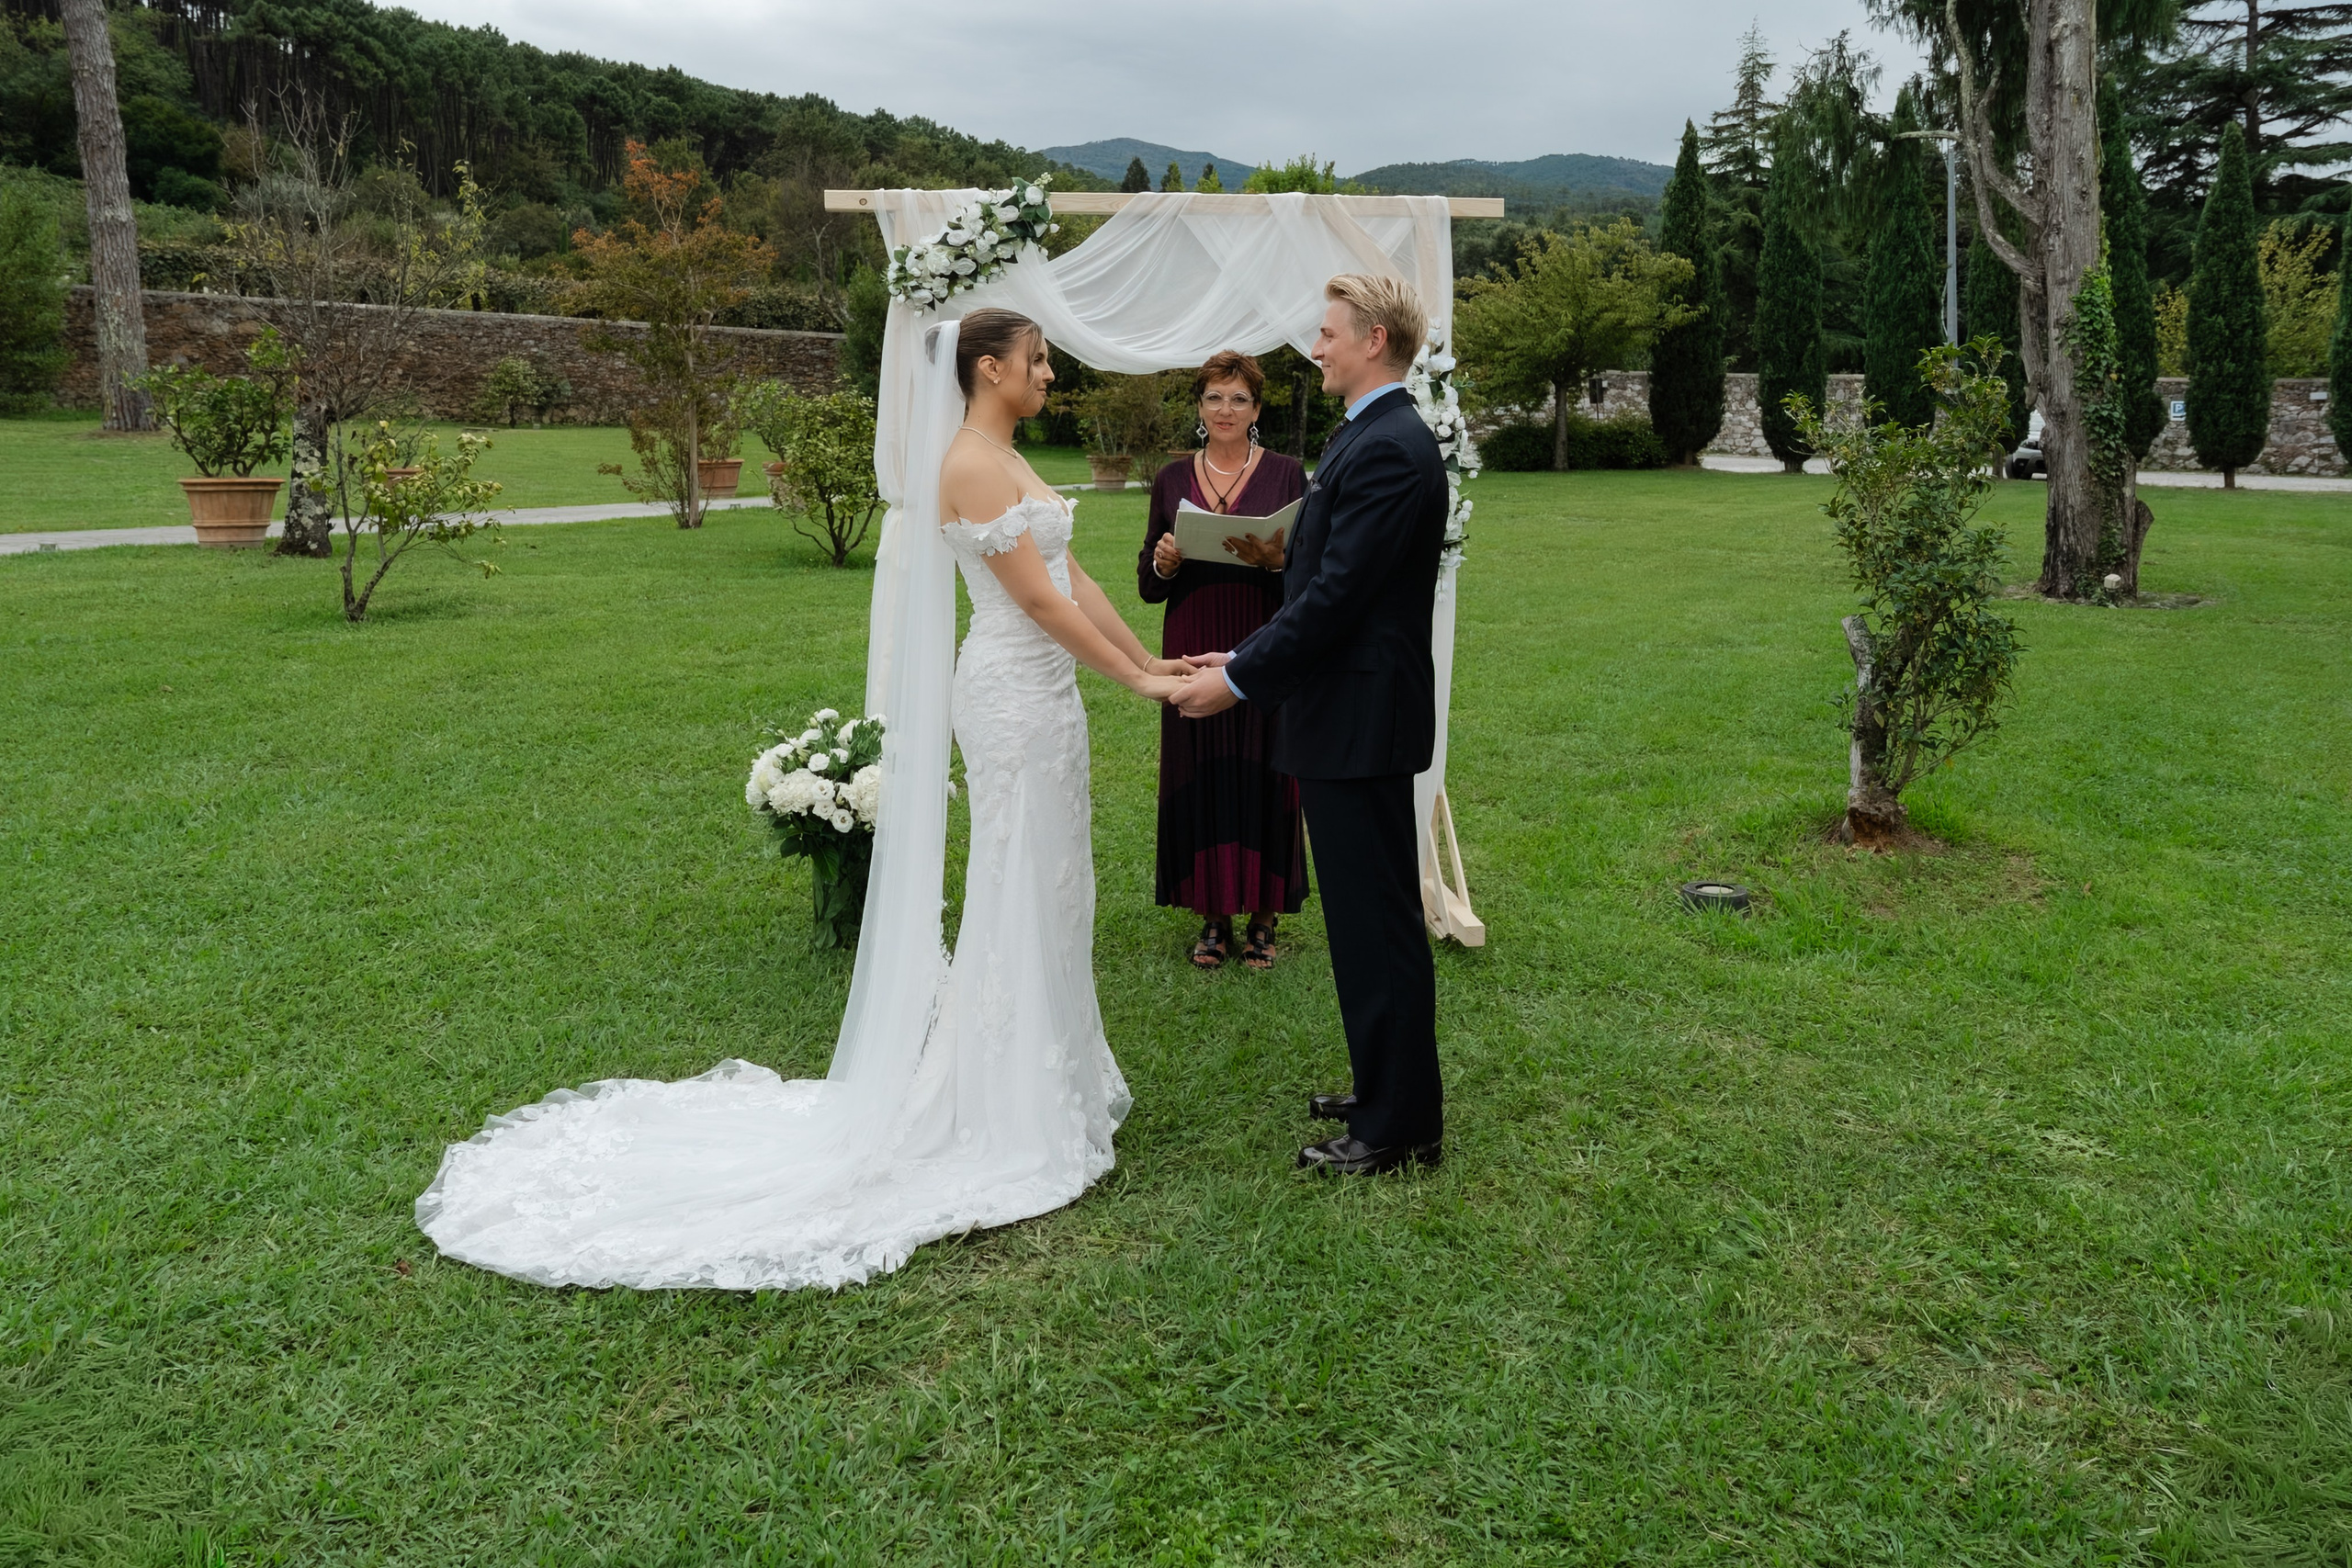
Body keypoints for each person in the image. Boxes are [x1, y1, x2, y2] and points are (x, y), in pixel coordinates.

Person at [414, 309, 1193, 1290]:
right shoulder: (968, 464)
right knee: (1018, 882)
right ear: (987, 368)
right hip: (1007, 694)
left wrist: (1150, 660)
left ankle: (1048, 1077)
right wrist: (1139, 687)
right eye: (1037, 362)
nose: (1049, 375)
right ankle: (997, 1104)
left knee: (1055, 880)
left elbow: (1073, 576)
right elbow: (1035, 603)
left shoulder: (1017, 459)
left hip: (1050, 696)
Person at [1171, 276, 1449, 1177]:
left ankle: (1397, 1129)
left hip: (1358, 719)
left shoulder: (1388, 447)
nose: (1315, 347)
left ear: (1372, 338)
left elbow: (1335, 599)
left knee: (1377, 924)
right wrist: (1241, 653)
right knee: (1368, 924)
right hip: (1346, 712)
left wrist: (1241, 680)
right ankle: (1383, 1089)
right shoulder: (1372, 434)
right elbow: (1322, 589)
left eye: (1327, 334)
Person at [1138, 352, 1309, 971]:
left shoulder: (1289, 475)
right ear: (1199, 406)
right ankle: (1211, 912)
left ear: (1257, 410)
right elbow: (1148, 584)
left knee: (1268, 762)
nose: (1226, 410)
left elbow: (1314, 573)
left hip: (1265, 634)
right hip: (1191, 633)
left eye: (1239, 399)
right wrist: (1162, 561)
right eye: (1214, 397)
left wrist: (1280, 561)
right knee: (1201, 763)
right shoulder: (1169, 479)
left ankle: (1264, 918)